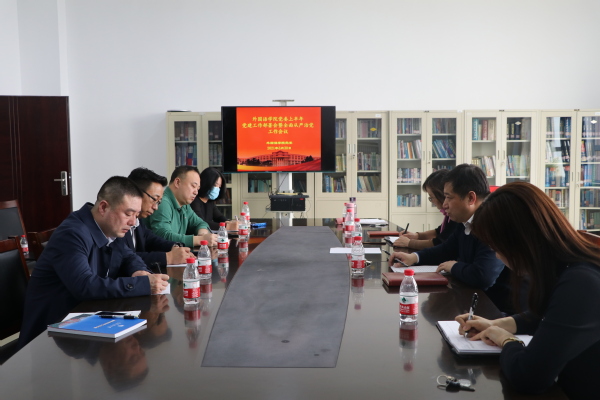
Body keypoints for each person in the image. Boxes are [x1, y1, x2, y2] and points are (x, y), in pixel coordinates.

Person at [455, 182, 600, 399]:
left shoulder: (581, 282)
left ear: (519, 241)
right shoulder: (567, 266)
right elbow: (553, 317)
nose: (497, 256)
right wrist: (497, 324)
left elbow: (528, 376)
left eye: (496, 247)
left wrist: (505, 339)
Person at [18, 176, 170, 349]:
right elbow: (85, 286)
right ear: (103, 207)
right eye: (128, 214)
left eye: (136, 215)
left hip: (85, 323)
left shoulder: (112, 228)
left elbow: (129, 256)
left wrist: (139, 272)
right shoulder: (72, 234)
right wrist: (142, 284)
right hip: (50, 337)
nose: (133, 222)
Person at [389, 164, 505, 292]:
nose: (444, 204)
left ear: (471, 198)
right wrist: (414, 257)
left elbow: (483, 276)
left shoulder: (492, 224)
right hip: (471, 294)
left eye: (449, 197)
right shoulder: (465, 221)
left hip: (494, 301)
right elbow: (446, 249)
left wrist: (454, 266)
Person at [125, 167, 195, 268]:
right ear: (136, 193)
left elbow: (150, 239)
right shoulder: (118, 222)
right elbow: (125, 258)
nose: (156, 207)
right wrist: (168, 257)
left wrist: (174, 247)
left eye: (159, 202)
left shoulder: (138, 220)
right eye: (154, 199)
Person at [144, 166, 217, 247]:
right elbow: (163, 236)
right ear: (177, 182)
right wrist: (200, 240)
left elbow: (200, 223)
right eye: (193, 186)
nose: (196, 192)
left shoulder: (184, 205)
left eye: (198, 189)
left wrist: (202, 234)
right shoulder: (163, 202)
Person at [394, 169, 458, 249]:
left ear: (442, 195)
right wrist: (417, 236)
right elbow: (438, 232)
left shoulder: (456, 216)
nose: (432, 201)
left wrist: (409, 243)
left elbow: (440, 242)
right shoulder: (448, 214)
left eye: (432, 197)